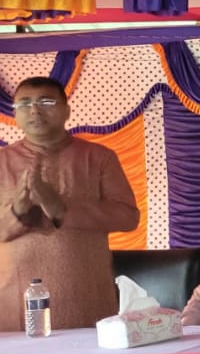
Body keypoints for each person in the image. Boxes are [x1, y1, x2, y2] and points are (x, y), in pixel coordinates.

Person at [0, 76, 139, 331]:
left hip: (85, 295)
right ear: (15, 114)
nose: (34, 110)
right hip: (13, 302)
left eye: (46, 102)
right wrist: (18, 211)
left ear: (67, 111)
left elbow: (128, 217)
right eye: (24, 104)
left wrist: (61, 209)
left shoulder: (98, 158)